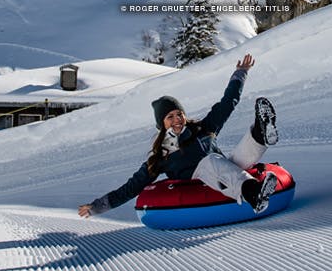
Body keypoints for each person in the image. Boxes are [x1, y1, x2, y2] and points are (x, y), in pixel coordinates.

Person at [79, 54, 280, 218]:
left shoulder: (203, 128)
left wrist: (240, 73)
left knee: (237, 157)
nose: (176, 119)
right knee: (211, 161)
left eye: (179, 114)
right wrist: (97, 206)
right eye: (170, 116)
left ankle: (260, 132)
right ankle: (254, 194)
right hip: (200, 182)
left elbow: (227, 103)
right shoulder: (161, 155)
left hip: (224, 172)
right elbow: (131, 188)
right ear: (161, 124)